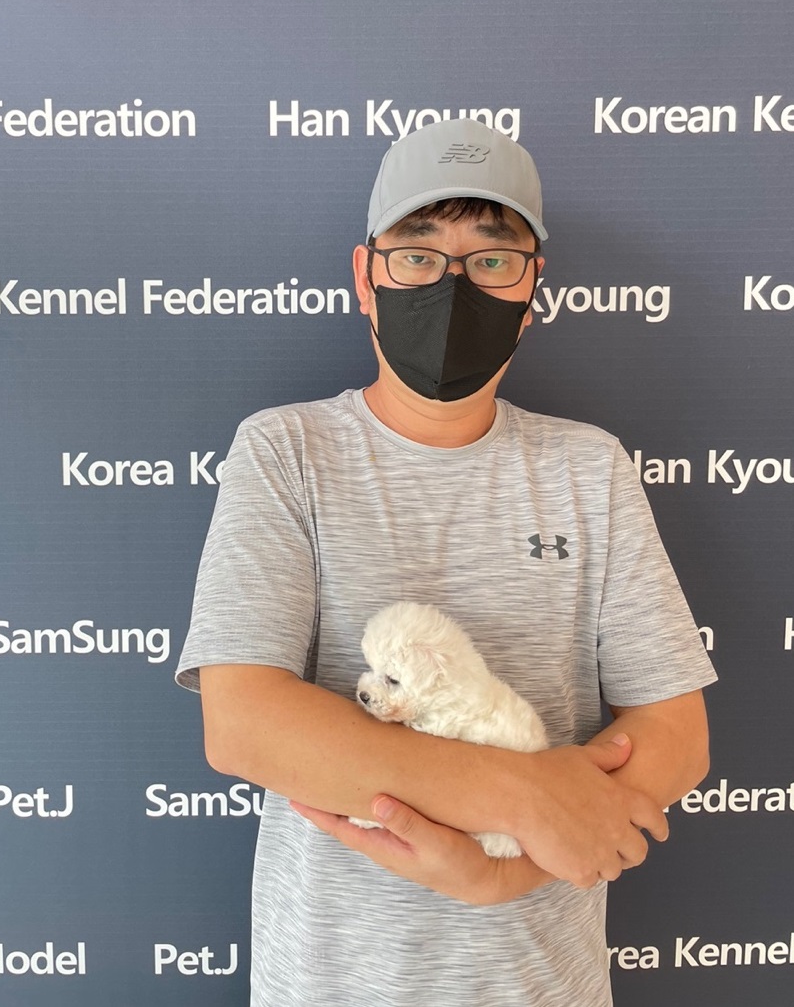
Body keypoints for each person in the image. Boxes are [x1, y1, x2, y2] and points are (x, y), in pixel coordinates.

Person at [175, 118, 716, 1006]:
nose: (452, 284)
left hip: (544, 982)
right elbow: (245, 724)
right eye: (418, 255)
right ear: (367, 278)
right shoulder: (287, 453)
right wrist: (519, 798)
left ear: (532, 287)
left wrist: (504, 870)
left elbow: (675, 735)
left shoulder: (589, 469)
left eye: (492, 258)